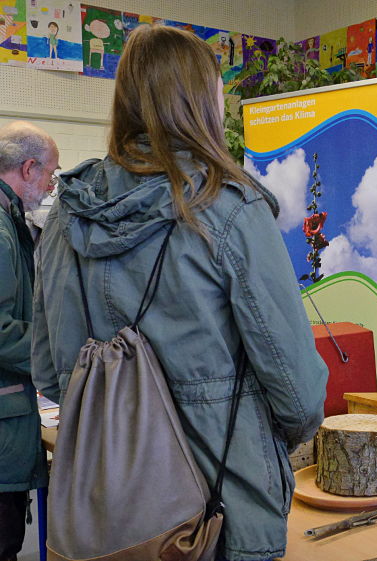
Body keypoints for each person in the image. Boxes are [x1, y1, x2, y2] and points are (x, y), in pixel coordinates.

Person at [31, 25, 328, 561]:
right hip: (220, 499)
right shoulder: (229, 208)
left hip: (105, 503)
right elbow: (299, 391)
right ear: (199, 101)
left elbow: (51, 371)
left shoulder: (66, 215)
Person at [0, 121, 57, 561]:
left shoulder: (11, 222)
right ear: (29, 168)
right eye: (51, 175)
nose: (52, 185)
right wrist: (54, 355)